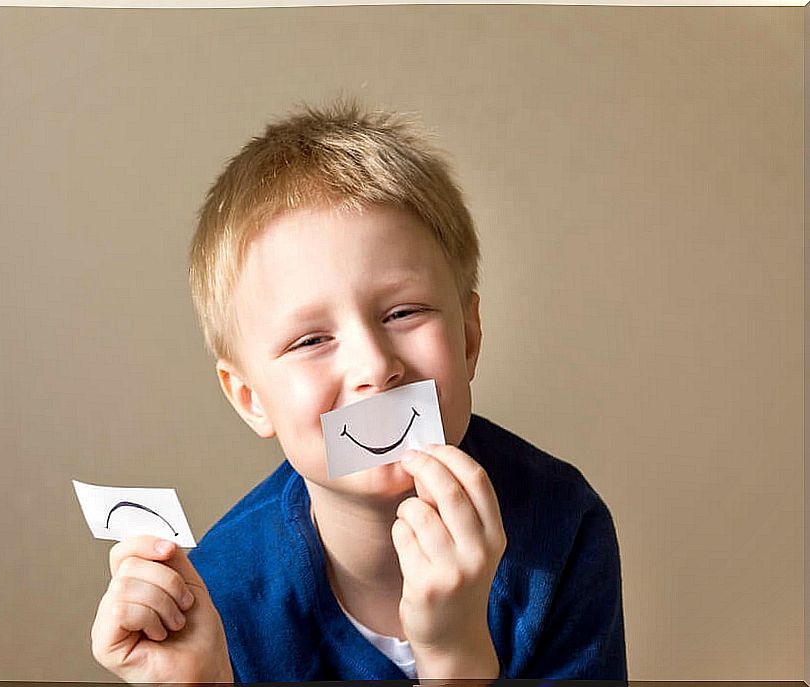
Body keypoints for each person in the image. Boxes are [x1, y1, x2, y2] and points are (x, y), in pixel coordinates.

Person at [90, 98, 627, 683]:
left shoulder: (562, 527)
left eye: (404, 312)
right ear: (249, 398)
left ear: (468, 337)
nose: (375, 366)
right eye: (310, 340)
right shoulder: (218, 599)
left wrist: (455, 651)